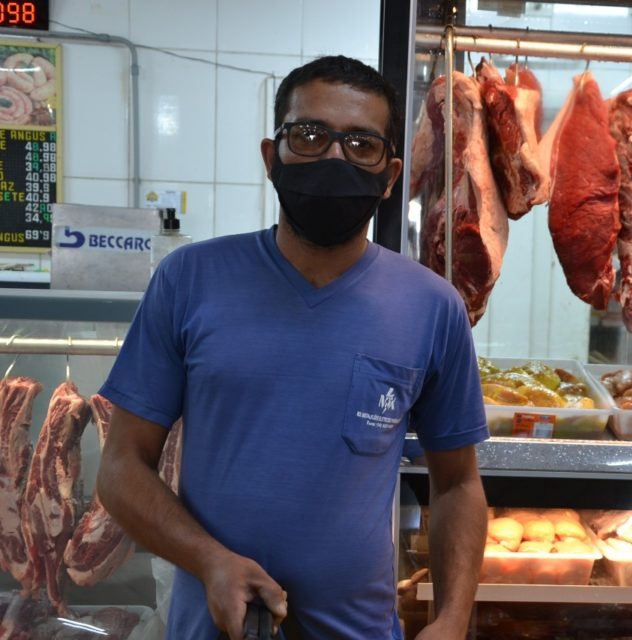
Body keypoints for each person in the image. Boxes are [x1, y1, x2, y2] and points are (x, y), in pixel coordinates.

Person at [97, 55, 490, 640]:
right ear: (271, 156)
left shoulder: (433, 307)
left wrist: (452, 618)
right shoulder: (190, 280)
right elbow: (120, 467)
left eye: (361, 144)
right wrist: (209, 560)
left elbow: (457, 483)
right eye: (309, 135)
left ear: (389, 176)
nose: (334, 158)